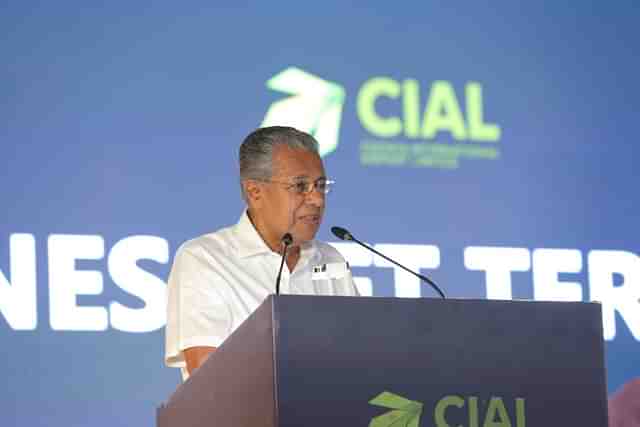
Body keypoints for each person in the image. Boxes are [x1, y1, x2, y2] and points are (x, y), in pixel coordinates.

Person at [164, 126, 359, 379]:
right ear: (254, 192)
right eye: (300, 186)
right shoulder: (204, 259)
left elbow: (358, 356)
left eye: (320, 186)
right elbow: (207, 376)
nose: (317, 200)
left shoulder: (331, 260)